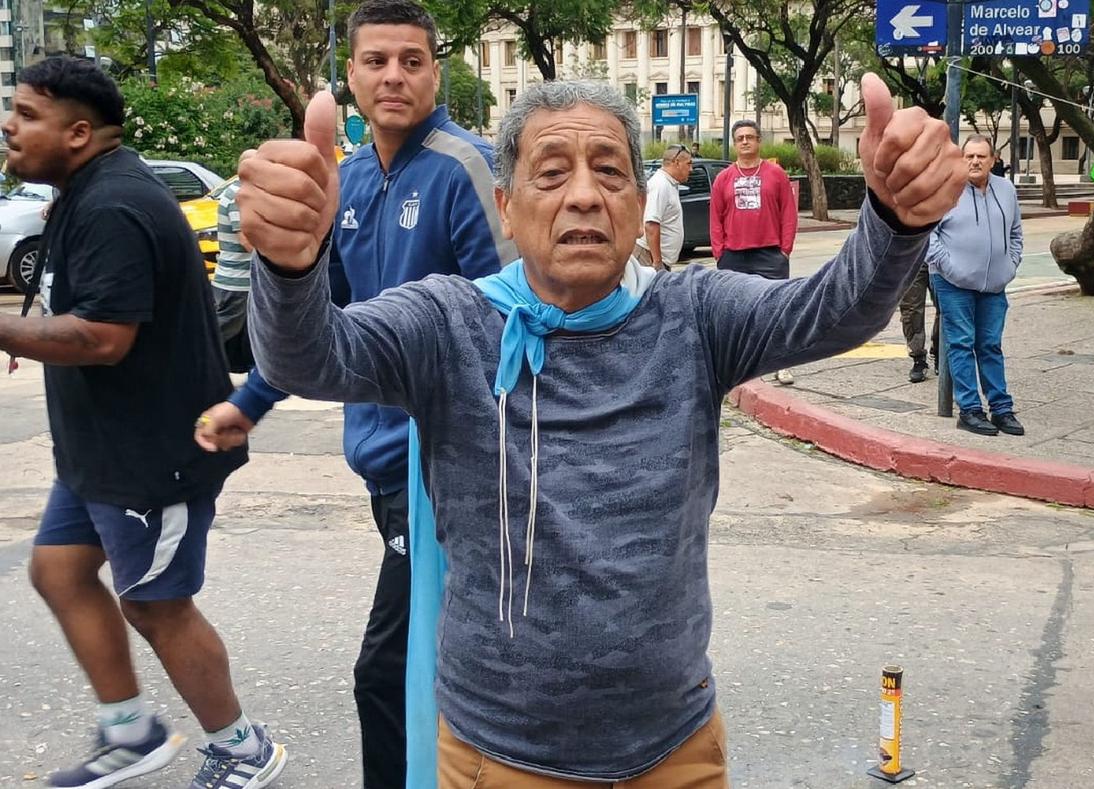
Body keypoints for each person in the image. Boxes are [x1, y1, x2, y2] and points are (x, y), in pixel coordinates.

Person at [236, 75, 965, 787]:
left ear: (634, 197)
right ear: (507, 208)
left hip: (675, 750)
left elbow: (832, 309)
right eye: (551, 173)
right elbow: (310, 355)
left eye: (609, 170)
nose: (584, 192)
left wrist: (894, 221)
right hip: (501, 759)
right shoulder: (447, 323)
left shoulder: (693, 315)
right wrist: (290, 265)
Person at [194, 0, 515, 785]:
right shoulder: (349, 178)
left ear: (438, 71)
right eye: (377, 61)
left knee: (390, 670)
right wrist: (253, 400)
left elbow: (508, 319)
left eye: (412, 59)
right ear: (352, 76)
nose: (394, 75)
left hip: (444, 469)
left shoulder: (464, 168)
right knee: (446, 663)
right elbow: (322, 320)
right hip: (382, 467)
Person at [0, 57, 286, 788]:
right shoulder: (83, 190)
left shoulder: (113, 204)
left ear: (78, 131)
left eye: (27, 114)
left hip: (154, 454)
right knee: (60, 571)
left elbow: (103, 335)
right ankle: (132, 732)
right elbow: (75, 307)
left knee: (157, 603)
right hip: (99, 450)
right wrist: (30, 332)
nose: (9, 125)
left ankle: (243, 748)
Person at [927, 134, 1026, 437]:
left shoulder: (1006, 190)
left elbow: (1016, 233)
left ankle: (1001, 408)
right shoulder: (946, 189)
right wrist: (948, 265)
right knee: (960, 343)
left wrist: (1009, 266)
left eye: (981, 156)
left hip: (994, 285)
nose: (974, 161)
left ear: (993, 160)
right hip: (952, 282)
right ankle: (969, 409)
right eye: (969, 156)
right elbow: (926, 234)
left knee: (990, 345)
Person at [709, 119, 799, 384]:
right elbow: (715, 217)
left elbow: (788, 214)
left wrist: (784, 250)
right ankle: (734, 366)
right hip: (733, 255)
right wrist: (719, 252)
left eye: (750, 137)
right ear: (735, 144)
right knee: (732, 313)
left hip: (770, 254)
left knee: (778, 311)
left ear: (759, 141)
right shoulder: (723, 178)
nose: (745, 141)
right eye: (740, 138)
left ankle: (781, 364)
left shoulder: (776, 174)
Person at [210, 178, 256, 373]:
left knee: (244, 329)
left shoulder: (240, 192)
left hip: (239, 279)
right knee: (223, 327)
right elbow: (245, 238)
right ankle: (189, 363)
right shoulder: (239, 195)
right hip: (236, 281)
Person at [633, 142, 691, 270]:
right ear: (676, 162)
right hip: (648, 259)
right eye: (688, 163)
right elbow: (651, 224)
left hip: (656, 260)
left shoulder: (669, 184)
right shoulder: (661, 185)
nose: (691, 168)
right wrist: (658, 263)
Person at [898, 262, 940, 382]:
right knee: (911, 311)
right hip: (914, 256)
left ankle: (939, 351)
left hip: (942, 256)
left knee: (946, 308)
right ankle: (918, 357)